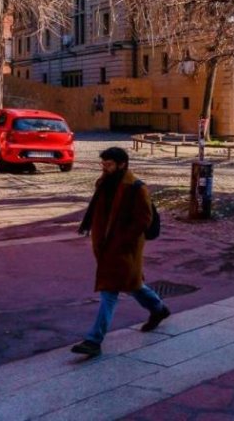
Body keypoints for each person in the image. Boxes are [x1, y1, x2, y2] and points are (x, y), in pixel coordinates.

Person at [70, 147, 171, 357]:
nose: (105, 168)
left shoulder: (136, 188)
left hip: (124, 249)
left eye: (109, 164)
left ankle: (94, 340)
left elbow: (144, 220)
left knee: (110, 292)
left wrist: (122, 241)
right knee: (133, 285)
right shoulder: (104, 183)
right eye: (103, 164)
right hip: (106, 247)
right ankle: (158, 308)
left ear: (122, 164)